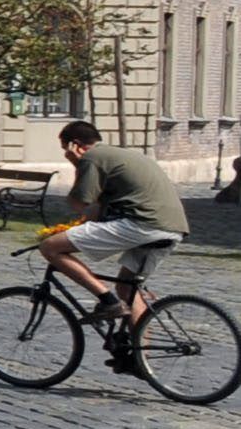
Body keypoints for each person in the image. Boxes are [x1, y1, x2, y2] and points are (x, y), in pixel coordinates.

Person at [38, 121, 187, 364]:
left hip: (141, 224)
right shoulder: (119, 155)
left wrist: (77, 163)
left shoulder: (92, 158)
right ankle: (141, 360)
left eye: (65, 148)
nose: (65, 154)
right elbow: (96, 212)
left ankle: (108, 302)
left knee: (50, 247)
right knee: (128, 289)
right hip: (172, 227)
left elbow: (79, 203)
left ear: (75, 145)